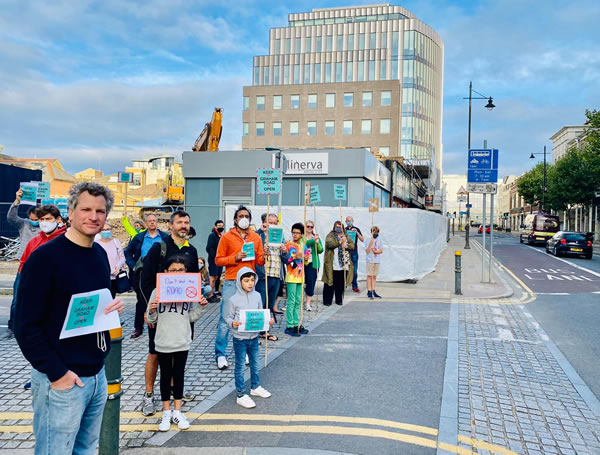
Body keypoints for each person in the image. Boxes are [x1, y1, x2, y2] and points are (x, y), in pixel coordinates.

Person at [14, 182, 124, 455]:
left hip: (96, 374)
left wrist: (112, 307)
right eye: (85, 209)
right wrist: (57, 373)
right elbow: (24, 325)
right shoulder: (45, 259)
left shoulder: (98, 253)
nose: (94, 216)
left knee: (85, 451)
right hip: (63, 379)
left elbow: (95, 302)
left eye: (100, 211)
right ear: (71, 213)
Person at [139, 210, 200, 416]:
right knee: (155, 353)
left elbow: (193, 284)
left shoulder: (191, 250)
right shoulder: (159, 248)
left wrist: (198, 303)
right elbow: (145, 281)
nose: (184, 225)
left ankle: (174, 392)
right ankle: (148, 396)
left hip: (182, 314)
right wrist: (150, 310)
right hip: (160, 314)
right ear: (170, 226)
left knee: (179, 351)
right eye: (180, 222)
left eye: (187, 222)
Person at [147, 255, 208, 431]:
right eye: (172, 270)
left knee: (179, 375)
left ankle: (177, 411)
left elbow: (190, 316)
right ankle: (166, 412)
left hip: (182, 340)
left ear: (186, 272)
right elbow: (152, 318)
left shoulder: (189, 290)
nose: (177, 273)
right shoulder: (157, 290)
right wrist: (151, 310)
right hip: (163, 340)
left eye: (180, 270)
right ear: (165, 272)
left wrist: (202, 308)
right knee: (165, 375)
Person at [16, 204, 67, 390]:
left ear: (58, 219)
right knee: (36, 334)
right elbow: (23, 264)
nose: (45, 223)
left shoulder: (65, 240)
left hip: (57, 299)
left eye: (48, 219)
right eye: (42, 220)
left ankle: (58, 370)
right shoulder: (34, 242)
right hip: (37, 296)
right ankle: (40, 372)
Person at [214, 206, 264, 370]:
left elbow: (260, 261)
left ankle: (245, 352)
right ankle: (220, 354)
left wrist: (265, 255)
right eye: (241, 216)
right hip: (231, 280)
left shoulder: (256, 237)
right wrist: (234, 258)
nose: (244, 218)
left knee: (248, 317)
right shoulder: (227, 237)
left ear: (250, 219)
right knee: (225, 318)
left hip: (249, 282)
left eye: (247, 216)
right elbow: (218, 260)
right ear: (235, 219)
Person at [224, 267, 273, 408]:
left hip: (254, 336)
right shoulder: (233, 300)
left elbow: (260, 313)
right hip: (239, 338)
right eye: (246, 281)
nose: (250, 283)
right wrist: (232, 323)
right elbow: (227, 317)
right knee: (240, 365)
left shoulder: (257, 296)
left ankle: (255, 387)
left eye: (252, 280)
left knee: (255, 363)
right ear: (240, 282)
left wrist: (268, 320)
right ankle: (240, 393)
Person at [124, 213, 169, 338]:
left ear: (157, 222)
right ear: (146, 223)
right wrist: (133, 265)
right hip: (142, 272)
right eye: (150, 221)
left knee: (160, 299)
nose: (152, 223)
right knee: (141, 301)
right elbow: (127, 252)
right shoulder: (139, 237)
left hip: (159, 272)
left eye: (154, 220)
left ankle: (159, 324)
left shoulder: (165, 237)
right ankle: (138, 328)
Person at [6, 188, 40, 337]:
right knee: (17, 298)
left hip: (40, 266)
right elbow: (11, 218)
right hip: (24, 266)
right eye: (32, 219)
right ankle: (12, 326)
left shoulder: (46, 228)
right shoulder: (24, 225)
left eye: (37, 219)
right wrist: (17, 201)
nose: (35, 222)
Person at [256, 213, 288, 335]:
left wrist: (284, 252)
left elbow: (286, 259)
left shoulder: (280, 237)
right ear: (265, 222)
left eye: (275, 223)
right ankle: (260, 330)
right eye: (271, 222)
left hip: (276, 275)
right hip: (263, 275)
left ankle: (265, 329)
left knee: (270, 304)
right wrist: (261, 230)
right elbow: (252, 242)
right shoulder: (259, 235)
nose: (273, 225)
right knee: (261, 302)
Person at [284, 223, 308, 336]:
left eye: (297, 233)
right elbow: (286, 258)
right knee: (291, 301)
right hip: (291, 276)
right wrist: (294, 257)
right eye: (293, 232)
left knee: (298, 301)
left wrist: (306, 257)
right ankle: (290, 325)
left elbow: (306, 261)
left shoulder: (304, 245)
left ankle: (297, 323)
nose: (295, 234)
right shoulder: (289, 244)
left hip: (301, 276)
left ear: (302, 234)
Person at [322, 221, 354, 306]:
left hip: (343, 264)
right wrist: (340, 241)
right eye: (337, 227)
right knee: (330, 282)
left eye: (340, 227)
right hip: (333, 263)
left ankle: (339, 299)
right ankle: (327, 300)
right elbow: (330, 244)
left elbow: (352, 245)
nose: (338, 228)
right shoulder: (331, 235)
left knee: (341, 283)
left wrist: (346, 245)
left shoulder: (346, 235)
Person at [95, 222, 126, 298]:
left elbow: (122, 258)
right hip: (101, 277)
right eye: (104, 230)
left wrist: (118, 266)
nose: (106, 231)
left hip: (114, 277)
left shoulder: (116, 242)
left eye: (108, 229)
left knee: (112, 297)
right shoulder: (95, 244)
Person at [303, 220, 323, 312]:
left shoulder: (316, 237)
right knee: (301, 283)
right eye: (308, 226)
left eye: (311, 227)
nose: (310, 228)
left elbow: (320, 250)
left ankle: (308, 302)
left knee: (311, 283)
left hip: (313, 263)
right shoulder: (302, 237)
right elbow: (305, 244)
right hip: (302, 262)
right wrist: (312, 240)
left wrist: (317, 243)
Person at [206, 220, 224, 298]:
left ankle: (215, 291)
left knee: (217, 277)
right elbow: (209, 248)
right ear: (215, 226)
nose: (221, 227)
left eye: (222, 226)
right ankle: (210, 294)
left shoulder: (221, 236)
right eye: (219, 226)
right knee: (212, 277)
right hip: (213, 260)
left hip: (220, 261)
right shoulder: (212, 235)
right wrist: (215, 257)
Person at [345, 216, 364, 293]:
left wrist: (357, 232)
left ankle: (355, 285)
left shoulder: (356, 229)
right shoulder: (344, 230)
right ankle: (344, 284)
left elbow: (362, 239)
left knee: (354, 270)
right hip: (345, 252)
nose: (349, 222)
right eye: (348, 221)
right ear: (345, 222)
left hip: (354, 252)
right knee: (345, 269)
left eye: (350, 220)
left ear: (353, 221)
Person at [365, 226, 384, 299]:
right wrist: (371, 243)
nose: (375, 233)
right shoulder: (368, 240)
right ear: (371, 232)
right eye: (374, 232)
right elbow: (367, 251)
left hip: (377, 260)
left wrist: (376, 251)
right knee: (369, 275)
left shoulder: (380, 240)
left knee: (374, 276)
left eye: (377, 232)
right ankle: (369, 291)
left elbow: (381, 250)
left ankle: (373, 290)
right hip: (370, 260)